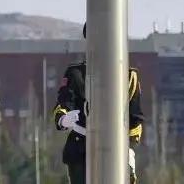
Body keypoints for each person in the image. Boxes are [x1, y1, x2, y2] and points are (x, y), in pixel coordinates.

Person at [53, 24, 144, 184]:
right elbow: (63, 104)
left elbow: (135, 118)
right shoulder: (75, 73)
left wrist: (126, 147)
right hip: (81, 146)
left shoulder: (129, 76)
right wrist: (63, 119)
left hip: (115, 146)